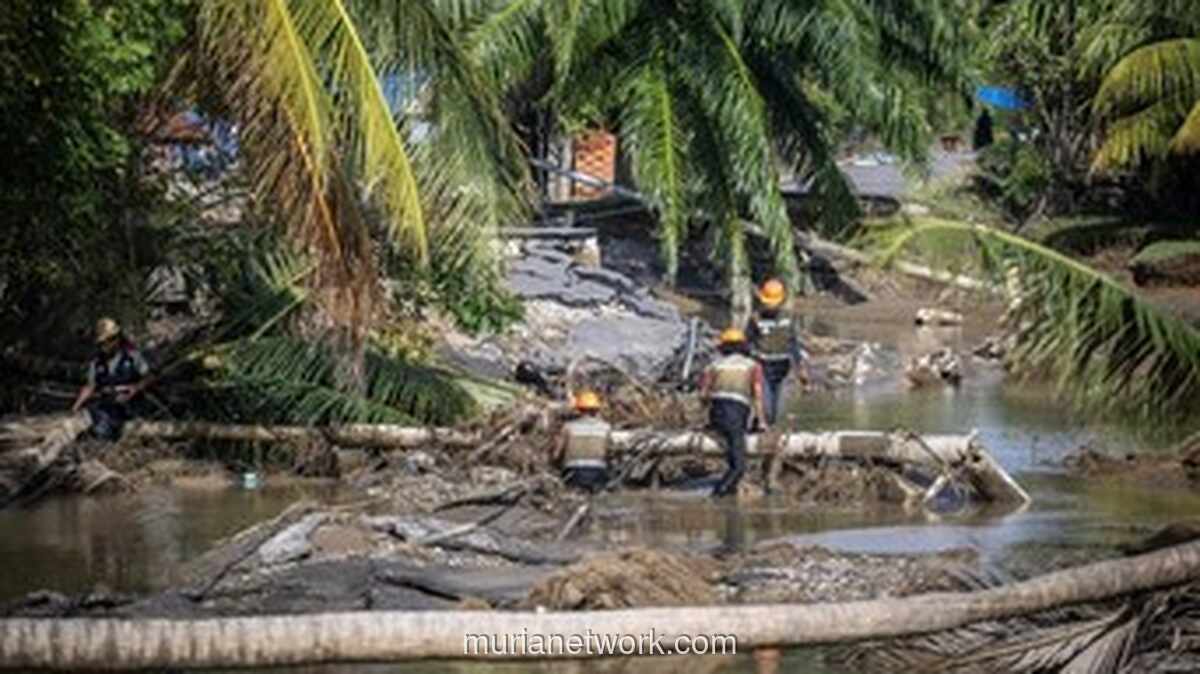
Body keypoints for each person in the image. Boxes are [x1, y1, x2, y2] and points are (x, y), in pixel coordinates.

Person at [699, 328, 767, 498]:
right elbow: (757, 396)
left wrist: (705, 417)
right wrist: (762, 421)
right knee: (739, 466)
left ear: (722, 347)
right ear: (744, 346)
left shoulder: (713, 366)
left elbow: (703, 395)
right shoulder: (752, 366)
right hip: (736, 414)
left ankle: (729, 491)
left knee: (731, 455)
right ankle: (717, 495)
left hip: (717, 414)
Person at [71, 318, 155, 440]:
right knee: (91, 416)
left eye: (109, 341)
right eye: (102, 343)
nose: (105, 346)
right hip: (107, 404)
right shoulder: (97, 363)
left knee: (105, 427)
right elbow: (90, 386)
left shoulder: (133, 357)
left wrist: (135, 389)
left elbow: (149, 377)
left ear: (117, 339)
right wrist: (76, 405)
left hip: (131, 405)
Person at [745, 279, 810, 427]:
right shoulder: (755, 318)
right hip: (762, 366)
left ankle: (764, 428)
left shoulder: (788, 318)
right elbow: (747, 342)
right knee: (766, 406)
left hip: (781, 367)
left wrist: (801, 369)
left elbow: (793, 344)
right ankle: (760, 424)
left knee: (774, 410)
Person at [551, 390, 611, 492]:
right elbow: (609, 453)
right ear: (597, 410)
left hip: (574, 474)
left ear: (578, 409)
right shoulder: (606, 428)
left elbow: (556, 455)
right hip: (598, 474)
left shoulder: (568, 427)